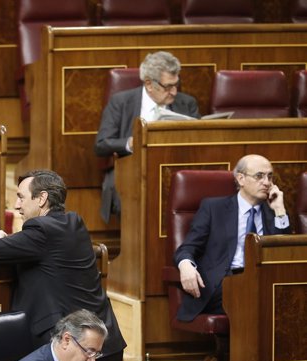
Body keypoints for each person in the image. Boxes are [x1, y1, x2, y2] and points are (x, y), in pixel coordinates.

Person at [0, 170, 126, 361]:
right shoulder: (74, 223)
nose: (17, 205)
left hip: (77, 350)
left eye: (21, 197)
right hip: (105, 343)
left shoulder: (41, 231)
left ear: (41, 199)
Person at [174, 154, 290, 321]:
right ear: (241, 179)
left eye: (269, 176)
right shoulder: (214, 208)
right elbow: (188, 247)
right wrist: (185, 265)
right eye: (259, 176)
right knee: (255, 296)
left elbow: (286, 255)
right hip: (223, 283)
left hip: (265, 282)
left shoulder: (274, 212)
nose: (266, 182)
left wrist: (280, 211)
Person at [94, 51, 200, 223]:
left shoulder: (187, 103)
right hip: (132, 169)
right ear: (149, 84)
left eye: (176, 85)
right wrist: (129, 143)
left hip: (177, 169)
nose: (173, 92)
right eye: (167, 87)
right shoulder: (121, 102)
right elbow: (101, 144)